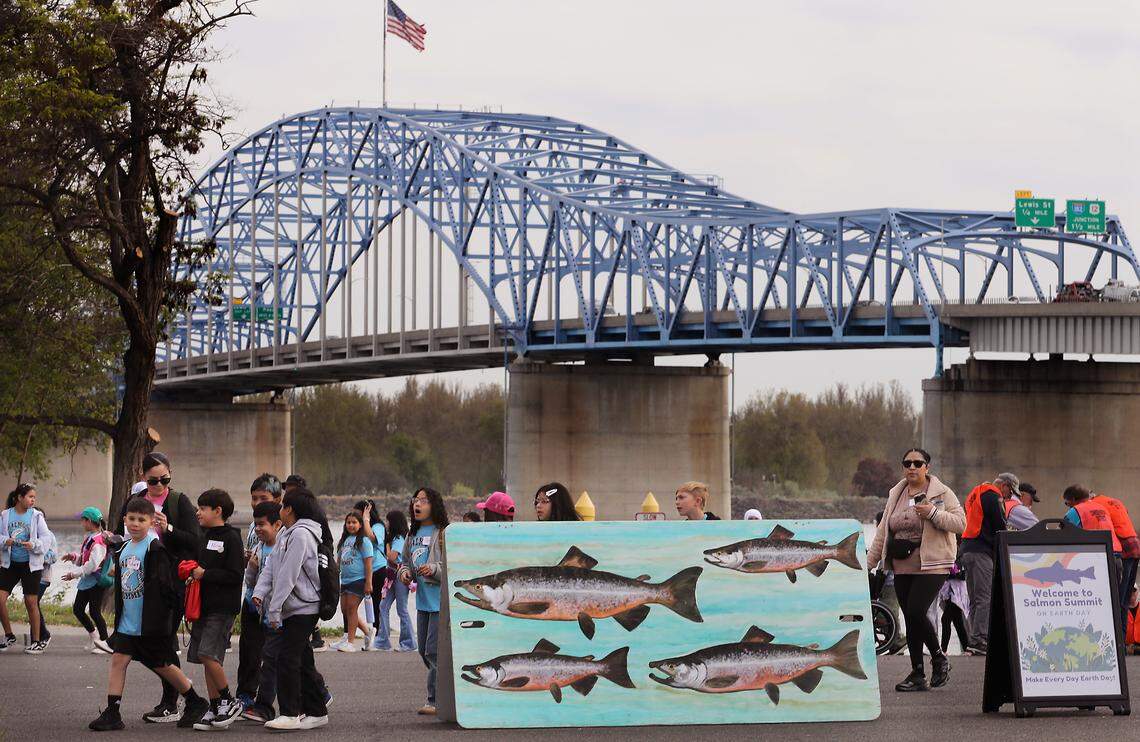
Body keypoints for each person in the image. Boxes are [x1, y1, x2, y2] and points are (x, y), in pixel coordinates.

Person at [86, 497, 210, 731]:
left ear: (151, 522)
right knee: (118, 660)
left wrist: (164, 620)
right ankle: (113, 713)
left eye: (141, 520)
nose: (135, 524)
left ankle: (195, 701)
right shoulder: (124, 548)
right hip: (127, 622)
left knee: (162, 664)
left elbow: (166, 588)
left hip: (149, 623)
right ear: (124, 520)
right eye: (131, 519)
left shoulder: (155, 549)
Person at [867, 448, 965, 692]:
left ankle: (939, 657)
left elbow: (961, 524)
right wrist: (867, 565)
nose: (912, 467)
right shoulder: (896, 493)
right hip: (901, 565)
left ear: (927, 467)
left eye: (917, 463)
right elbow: (882, 533)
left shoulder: (942, 493)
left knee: (916, 610)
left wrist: (933, 513)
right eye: (907, 463)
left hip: (933, 564)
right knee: (911, 618)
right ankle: (917, 673)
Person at [114, 452, 201, 723]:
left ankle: (174, 701)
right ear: (144, 479)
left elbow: (195, 542)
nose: (160, 486)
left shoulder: (178, 501)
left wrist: (169, 528)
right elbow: (121, 535)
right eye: (154, 481)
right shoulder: (135, 503)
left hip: (167, 584)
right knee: (141, 650)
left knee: (162, 644)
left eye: (165, 479)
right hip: (135, 585)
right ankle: (181, 700)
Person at [251, 488, 330, 731]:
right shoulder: (288, 533)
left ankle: (290, 712)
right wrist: (259, 592)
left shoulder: (301, 536)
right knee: (302, 659)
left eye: (283, 506)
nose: (280, 509)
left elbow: (288, 575)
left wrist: (274, 611)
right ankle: (317, 711)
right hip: (294, 606)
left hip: (303, 607)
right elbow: (273, 567)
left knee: (287, 658)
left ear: (291, 510)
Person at [183, 488, 245, 730]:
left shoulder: (231, 537)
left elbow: (235, 574)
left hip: (222, 608)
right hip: (203, 608)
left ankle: (229, 701)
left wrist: (204, 574)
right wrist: (194, 576)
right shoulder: (204, 536)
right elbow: (201, 568)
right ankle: (215, 705)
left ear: (218, 511)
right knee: (203, 657)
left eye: (202, 508)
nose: (198, 513)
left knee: (209, 654)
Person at [398, 487, 449, 715]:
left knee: (433, 652)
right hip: (422, 603)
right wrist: (405, 574)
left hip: (440, 602)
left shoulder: (444, 533)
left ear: (434, 505)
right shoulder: (412, 534)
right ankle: (447, 690)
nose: (417, 504)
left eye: (424, 501)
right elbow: (404, 562)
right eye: (415, 500)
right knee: (423, 652)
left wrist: (434, 569)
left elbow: (453, 565)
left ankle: (435, 701)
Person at [237, 474, 282, 709]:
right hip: (251, 595)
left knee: (278, 654)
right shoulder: (255, 527)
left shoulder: (283, 528)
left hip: (273, 601)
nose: (256, 502)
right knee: (248, 650)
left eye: (263, 497)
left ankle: (316, 692)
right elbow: (254, 555)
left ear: (278, 499)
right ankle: (245, 695)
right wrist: (249, 561)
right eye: (253, 498)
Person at [959, 472, 1013, 656]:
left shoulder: (976, 493)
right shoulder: (993, 495)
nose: (1008, 497)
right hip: (982, 551)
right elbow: (1000, 525)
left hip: (968, 548)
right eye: (1010, 493)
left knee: (975, 599)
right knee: (985, 598)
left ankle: (973, 639)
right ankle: (979, 639)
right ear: (1004, 485)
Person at [0, 483, 52, 653]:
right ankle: (9, 635)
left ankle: (36, 641)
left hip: (31, 565)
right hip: (10, 564)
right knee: (0, 599)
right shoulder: (5, 515)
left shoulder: (36, 516)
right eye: (30, 497)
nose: (32, 500)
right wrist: (4, 541)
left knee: (31, 602)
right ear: (19, 498)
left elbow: (46, 538)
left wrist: (34, 544)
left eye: (34, 497)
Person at [62, 506, 114, 653]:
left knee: (95, 612)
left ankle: (104, 642)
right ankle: (94, 636)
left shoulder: (98, 541)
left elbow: (93, 565)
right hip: (87, 580)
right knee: (78, 609)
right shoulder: (90, 538)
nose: (81, 523)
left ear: (89, 521)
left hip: (96, 581)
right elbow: (85, 560)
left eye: (82, 520)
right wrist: (74, 557)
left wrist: (74, 574)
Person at [1063, 485, 1124, 603]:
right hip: (1115, 556)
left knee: (1094, 600)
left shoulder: (1075, 511)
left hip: (1096, 558)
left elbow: (1063, 534)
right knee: (1113, 600)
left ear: (1074, 499)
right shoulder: (1102, 508)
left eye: (1067, 503)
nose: (1067, 506)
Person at [1089, 491, 1140, 628]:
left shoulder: (1095, 504)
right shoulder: (1113, 501)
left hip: (1123, 547)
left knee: (1118, 600)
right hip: (1135, 544)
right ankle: (1122, 642)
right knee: (1124, 601)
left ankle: (1118, 638)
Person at [330, 511, 374, 652]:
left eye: (354, 522)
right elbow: (339, 561)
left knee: (351, 609)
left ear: (360, 524)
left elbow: (368, 563)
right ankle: (367, 632)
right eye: (348, 522)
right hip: (345, 580)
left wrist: (369, 582)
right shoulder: (345, 540)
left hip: (359, 580)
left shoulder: (364, 541)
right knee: (345, 610)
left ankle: (350, 642)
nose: (351, 525)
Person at [374, 509, 416, 652]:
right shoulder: (394, 538)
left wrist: (386, 545)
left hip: (399, 576)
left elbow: (392, 557)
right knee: (383, 606)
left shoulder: (399, 538)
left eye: (388, 521)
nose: (386, 524)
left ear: (394, 523)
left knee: (401, 609)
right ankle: (382, 641)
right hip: (391, 575)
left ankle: (409, 643)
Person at [354, 499, 384, 651]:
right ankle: (366, 633)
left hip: (378, 569)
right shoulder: (359, 527)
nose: (356, 515)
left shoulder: (378, 526)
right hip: (364, 570)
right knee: (353, 605)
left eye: (359, 512)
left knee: (376, 603)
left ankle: (377, 638)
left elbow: (372, 537)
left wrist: (366, 518)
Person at [939, 549, 970, 655]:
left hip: (956, 592)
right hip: (950, 591)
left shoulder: (960, 557)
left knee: (945, 619)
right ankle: (966, 648)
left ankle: (943, 650)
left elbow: (962, 575)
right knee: (958, 622)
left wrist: (951, 572)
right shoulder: (949, 555)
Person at [34, 521, 59, 650]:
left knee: (33, 604)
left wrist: (37, 555)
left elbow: (53, 557)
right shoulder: (30, 535)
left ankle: (44, 635)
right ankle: (35, 638)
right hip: (31, 577)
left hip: (43, 577)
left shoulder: (49, 536)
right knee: (31, 605)